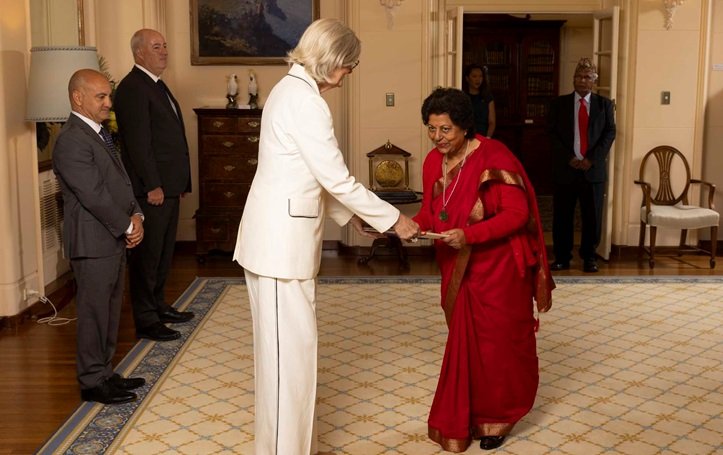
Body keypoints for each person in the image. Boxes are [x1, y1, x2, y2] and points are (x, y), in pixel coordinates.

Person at [232, 18, 420, 455]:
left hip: (279, 245)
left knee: (290, 360)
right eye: (350, 63)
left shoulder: (292, 91)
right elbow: (335, 178)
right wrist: (395, 220)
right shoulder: (305, 101)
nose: (350, 72)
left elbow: (309, 174)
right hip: (279, 249)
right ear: (332, 60)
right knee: (287, 366)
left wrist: (349, 217)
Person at [413, 87, 554, 452]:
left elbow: (517, 215)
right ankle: (472, 414)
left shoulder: (494, 156)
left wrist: (470, 235)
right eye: (431, 128)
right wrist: (411, 226)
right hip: (458, 264)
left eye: (446, 129)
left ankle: (501, 417)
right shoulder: (432, 162)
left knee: (498, 347)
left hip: (499, 267)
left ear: (465, 126)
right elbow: (432, 211)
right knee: (469, 346)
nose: (438, 137)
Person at [53, 69, 147, 404]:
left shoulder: (99, 134)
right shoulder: (71, 140)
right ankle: (92, 381)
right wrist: (127, 226)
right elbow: (93, 195)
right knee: (94, 314)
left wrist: (137, 215)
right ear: (78, 98)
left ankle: (105, 373)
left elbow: (121, 183)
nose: (108, 103)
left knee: (109, 311)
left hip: (111, 237)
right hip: (93, 242)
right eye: (101, 97)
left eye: (108, 96)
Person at [114, 28, 194, 341]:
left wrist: (180, 182)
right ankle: (146, 320)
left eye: (165, 45)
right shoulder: (132, 88)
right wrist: (153, 185)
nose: (164, 51)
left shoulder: (156, 85)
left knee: (162, 253)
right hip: (152, 191)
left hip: (168, 187)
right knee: (147, 257)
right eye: (156, 46)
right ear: (139, 53)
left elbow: (169, 139)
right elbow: (139, 144)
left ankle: (158, 306)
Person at [547, 57, 616, 273]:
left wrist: (591, 159)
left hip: (592, 171)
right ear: (573, 79)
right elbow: (551, 134)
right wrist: (568, 157)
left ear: (594, 81)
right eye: (578, 76)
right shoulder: (559, 104)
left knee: (592, 216)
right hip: (566, 169)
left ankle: (589, 257)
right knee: (562, 216)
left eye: (587, 77)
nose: (582, 81)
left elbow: (610, 133)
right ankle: (562, 256)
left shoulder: (604, 105)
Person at [463, 64, 496, 138]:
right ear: (467, 78)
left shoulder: (487, 97)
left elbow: (492, 122)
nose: (478, 79)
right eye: (474, 76)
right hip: (466, 136)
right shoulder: (463, 97)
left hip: (483, 136)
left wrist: (487, 138)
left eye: (480, 76)